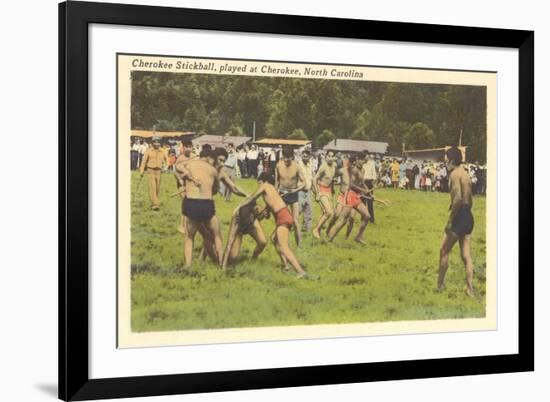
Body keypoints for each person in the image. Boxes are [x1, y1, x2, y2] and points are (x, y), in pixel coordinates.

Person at [237, 173, 308, 278]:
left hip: (283, 216)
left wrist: (241, 206)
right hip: (284, 215)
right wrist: (264, 212)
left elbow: (252, 197)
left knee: (284, 246)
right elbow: (268, 215)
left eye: (259, 183)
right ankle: (285, 266)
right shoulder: (272, 192)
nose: (258, 185)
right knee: (274, 239)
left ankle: (300, 271)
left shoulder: (265, 186)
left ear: (263, 181)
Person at [438, 147, 475, 297]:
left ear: (452, 160)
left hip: (459, 216)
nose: (444, 161)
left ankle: (439, 285)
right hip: (468, 216)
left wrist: (451, 219)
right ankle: (470, 289)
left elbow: (458, 198)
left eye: (446, 158)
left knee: (443, 250)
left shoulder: (454, 174)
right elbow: (470, 199)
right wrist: (465, 213)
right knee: (466, 255)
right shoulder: (465, 173)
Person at [179, 147, 224, 267]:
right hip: (206, 203)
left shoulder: (189, 165)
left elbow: (177, 168)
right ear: (209, 158)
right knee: (216, 235)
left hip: (191, 203)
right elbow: (215, 190)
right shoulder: (213, 170)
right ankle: (221, 264)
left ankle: (188, 265)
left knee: (189, 237)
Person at [221, 201, 269, 270]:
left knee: (263, 242)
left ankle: (253, 259)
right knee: (233, 257)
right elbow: (229, 243)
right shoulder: (236, 221)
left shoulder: (254, 208)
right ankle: (225, 261)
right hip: (240, 230)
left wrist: (263, 214)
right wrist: (223, 266)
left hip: (251, 224)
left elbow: (261, 215)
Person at [275, 147, 306, 246]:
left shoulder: (296, 166)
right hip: (282, 194)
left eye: (288, 158)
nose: (286, 160)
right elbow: (276, 183)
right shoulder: (278, 165)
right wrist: (276, 195)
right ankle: (281, 242)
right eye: (285, 157)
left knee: (295, 222)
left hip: (293, 194)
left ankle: (299, 245)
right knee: (283, 221)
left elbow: (304, 182)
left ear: (292, 157)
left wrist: (295, 190)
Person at [312, 150, 337, 239]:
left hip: (329, 190)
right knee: (329, 212)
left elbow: (332, 179)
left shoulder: (334, 165)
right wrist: (317, 193)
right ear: (326, 157)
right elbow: (314, 179)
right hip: (321, 189)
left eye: (332, 156)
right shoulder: (323, 167)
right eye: (329, 156)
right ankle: (316, 229)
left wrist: (333, 190)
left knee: (330, 213)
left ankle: (321, 230)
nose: (330, 158)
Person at [139, 137, 167, 210]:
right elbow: (144, 161)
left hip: (159, 171)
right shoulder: (148, 151)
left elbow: (167, 160)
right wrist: (142, 170)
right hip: (150, 170)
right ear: (152, 143)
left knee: (157, 188)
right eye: (155, 142)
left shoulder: (162, 151)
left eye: (158, 142)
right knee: (152, 187)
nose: (157, 144)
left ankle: (154, 202)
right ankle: (155, 204)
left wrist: (165, 167)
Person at [297, 150, 314, 233]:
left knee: (308, 211)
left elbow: (312, 178)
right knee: (298, 211)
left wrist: (315, 191)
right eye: (303, 156)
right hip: (300, 191)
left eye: (306, 156)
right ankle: (293, 227)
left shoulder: (310, 165)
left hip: (308, 191)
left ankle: (307, 230)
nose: (305, 157)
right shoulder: (298, 165)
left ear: (309, 157)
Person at [362, 151, 377, 223]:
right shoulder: (361, 164)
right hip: (362, 183)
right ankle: (363, 217)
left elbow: (374, 174)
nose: (366, 158)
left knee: (370, 200)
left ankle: (371, 219)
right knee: (362, 201)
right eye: (365, 156)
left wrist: (373, 182)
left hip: (369, 182)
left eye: (367, 156)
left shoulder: (372, 163)